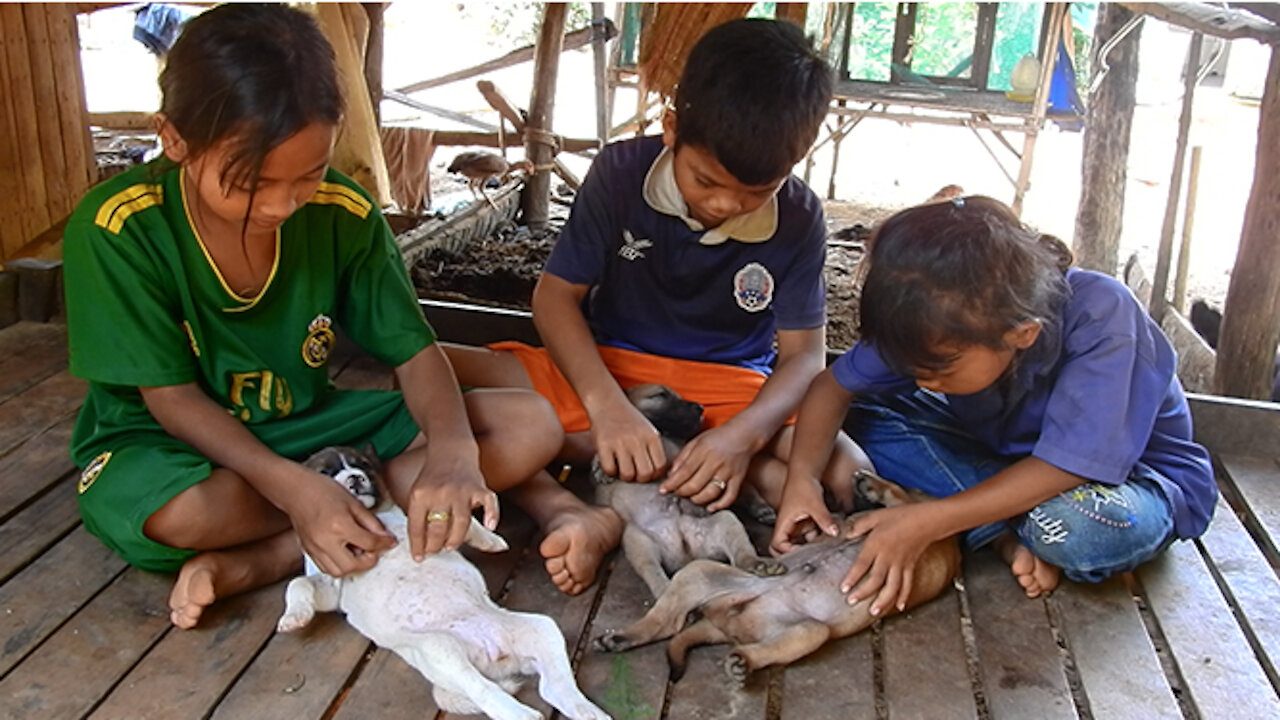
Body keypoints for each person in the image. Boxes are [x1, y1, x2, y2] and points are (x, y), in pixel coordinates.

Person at [62, 4, 563, 629]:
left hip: (311, 431)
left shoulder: (343, 213)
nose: (281, 204)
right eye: (248, 184)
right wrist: (296, 489)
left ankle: (276, 552)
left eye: (307, 176)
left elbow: (413, 350)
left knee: (530, 424)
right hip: (168, 443)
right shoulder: (119, 228)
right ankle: (325, 517)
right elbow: (170, 399)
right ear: (173, 138)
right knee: (182, 514)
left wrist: (455, 455)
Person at [443, 18, 871, 596]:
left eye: (755, 193)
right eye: (706, 181)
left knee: (844, 467)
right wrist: (608, 408)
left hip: (726, 390)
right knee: (449, 378)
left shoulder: (799, 215)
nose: (726, 204)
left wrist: (741, 436)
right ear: (671, 128)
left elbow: (803, 358)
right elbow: (554, 299)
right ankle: (640, 491)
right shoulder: (620, 172)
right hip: (603, 369)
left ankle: (602, 494)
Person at [772, 196, 1219, 615]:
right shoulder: (935, 319)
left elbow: (1071, 467)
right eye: (915, 369)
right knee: (860, 419)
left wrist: (928, 522)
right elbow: (831, 389)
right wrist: (802, 480)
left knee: (1080, 530)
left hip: (1120, 485)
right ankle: (1001, 528)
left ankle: (982, 517)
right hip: (1000, 458)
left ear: (1022, 335)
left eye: (940, 370)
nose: (924, 381)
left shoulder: (1105, 317)